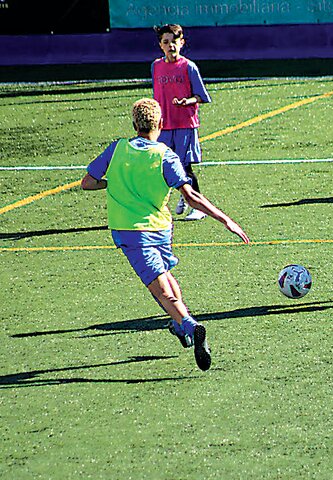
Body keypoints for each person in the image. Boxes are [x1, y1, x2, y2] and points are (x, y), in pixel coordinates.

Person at [80, 98, 250, 371]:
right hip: (161, 229)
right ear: (161, 123)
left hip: (131, 233)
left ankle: (190, 326)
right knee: (167, 280)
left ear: (134, 124)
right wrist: (226, 219)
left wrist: (116, 183)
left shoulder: (117, 149)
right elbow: (191, 196)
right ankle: (179, 326)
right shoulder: (165, 155)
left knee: (161, 292)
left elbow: (88, 182)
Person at [152, 23, 212, 221]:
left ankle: (199, 206)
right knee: (163, 168)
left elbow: (201, 96)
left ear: (182, 42)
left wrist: (188, 101)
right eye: (166, 42)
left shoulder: (188, 67)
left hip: (185, 124)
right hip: (164, 127)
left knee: (184, 167)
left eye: (174, 41)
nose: (171, 46)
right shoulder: (156, 67)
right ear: (161, 45)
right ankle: (178, 199)